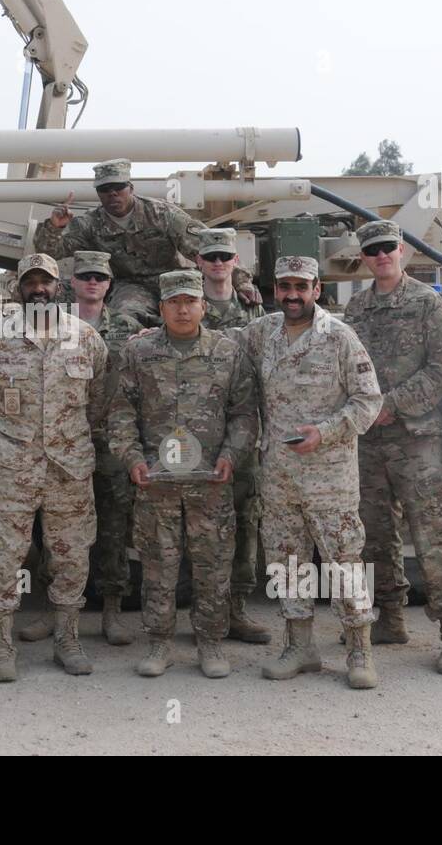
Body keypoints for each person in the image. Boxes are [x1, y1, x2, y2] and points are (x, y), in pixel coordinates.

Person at [234, 255, 383, 689]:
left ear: (317, 289)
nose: (292, 294)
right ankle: (300, 647)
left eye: (302, 286)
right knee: (287, 563)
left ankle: (359, 651)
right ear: (274, 289)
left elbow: (368, 401)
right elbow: (220, 344)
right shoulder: (261, 334)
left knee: (344, 565)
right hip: (278, 476)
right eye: (285, 286)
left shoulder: (339, 338)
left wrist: (326, 431)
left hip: (330, 479)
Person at [0, 253, 107, 681]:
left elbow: (98, 401)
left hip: (69, 471)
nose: (39, 289)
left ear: (59, 286)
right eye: (31, 282)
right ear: (19, 288)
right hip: (13, 470)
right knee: (4, 557)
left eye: (46, 282)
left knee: (71, 555)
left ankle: (67, 638)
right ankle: (0, 644)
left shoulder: (85, 339)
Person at [109, 269, 253, 678]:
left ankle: (210, 644)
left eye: (190, 301)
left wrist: (232, 455)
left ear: (203, 307)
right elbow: (121, 412)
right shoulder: (140, 353)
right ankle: (160, 643)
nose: (183, 309)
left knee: (212, 566)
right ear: (161, 309)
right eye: (174, 302)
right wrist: (132, 457)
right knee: (158, 567)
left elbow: (244, 414)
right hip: (157, 485)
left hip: (210, 483)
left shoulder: (227, 353)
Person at [343, 220, 442, 674]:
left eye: (388, 248)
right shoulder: (356, 309)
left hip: (416, 440)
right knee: (374, 536)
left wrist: (391, 405)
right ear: (364, 257)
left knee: (431, 537)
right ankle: (390, 619)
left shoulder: (426, 303)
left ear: (403, 251)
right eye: (372, 250)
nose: (381, 256)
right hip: (368, 440)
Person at [16, 250, 141, 646]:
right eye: (85, 276)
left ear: (109, 284)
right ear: (71, 282)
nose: (92, 282)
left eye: (100, 277)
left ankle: (111, 612)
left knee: (113, 529)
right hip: (62, 446)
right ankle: (53, 613)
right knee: (55, 532)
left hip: (111, 444)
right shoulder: (54, 326)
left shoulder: (127, 327)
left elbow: (117, 386)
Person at [195, 227, 270, 645]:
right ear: (199, 262)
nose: (219, 263)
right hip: (198, 434)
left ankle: (237, 609)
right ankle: (205, 614)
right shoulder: (187, 307)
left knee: (246, 520)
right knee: (200, 527)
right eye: (211, 257)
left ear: (235, 261)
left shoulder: (253, 311)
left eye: (225, 256)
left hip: (243, 435)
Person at [30, 158, 209, 326]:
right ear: (98, 194)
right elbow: (49, 253)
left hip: (173, 278)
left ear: (130, 188)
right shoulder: (90, 224)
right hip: (131, 286)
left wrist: (236, 282)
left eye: (118, 187)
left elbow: (208, 249)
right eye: (105, 189)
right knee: (124, 320)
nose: (112, 193)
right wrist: (54, 227)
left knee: (204, 312)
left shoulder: (161, 214)